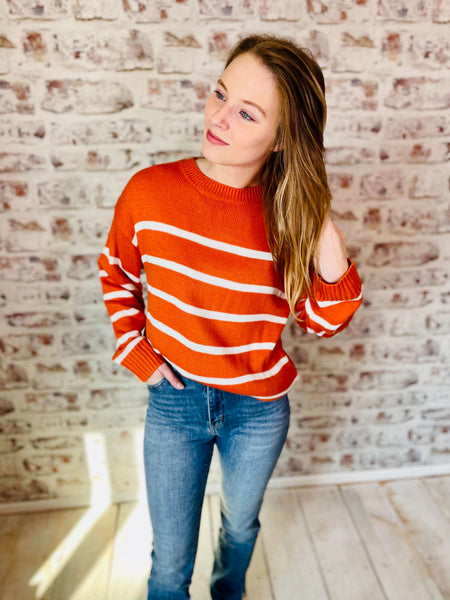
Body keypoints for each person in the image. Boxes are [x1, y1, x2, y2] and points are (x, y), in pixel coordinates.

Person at [98, 34, 362, 600]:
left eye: (247, 113)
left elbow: (322, 322)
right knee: (170, 560)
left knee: (240, 528)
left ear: (282, 138)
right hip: (175, 401)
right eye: (220, 94)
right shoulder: (149, 193)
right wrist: (136, 352)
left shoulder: (291, 218)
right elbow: (116, 273)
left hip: (258, 410)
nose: (219, 117)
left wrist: (322, 228)